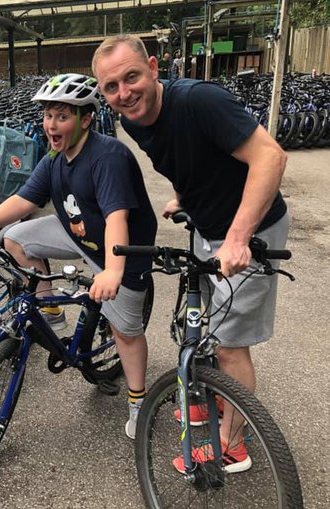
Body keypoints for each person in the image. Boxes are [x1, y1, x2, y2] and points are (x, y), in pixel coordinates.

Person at [92, 35, 289, 471]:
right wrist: (184, 195)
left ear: (154, 68)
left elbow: (271, 157)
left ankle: (233, 445)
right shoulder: (133, 121)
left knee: (230, 346)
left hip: (250, 227)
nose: (124, 93)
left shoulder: (199, 101)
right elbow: (179, 157)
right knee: (206, 326)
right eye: (111, 87)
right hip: (207, 224)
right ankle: (220, 402)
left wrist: (238, 238)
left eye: (131, 77)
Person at [0, 74, 158, 439]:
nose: (51, 124)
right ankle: (50, 311)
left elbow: (117, 217)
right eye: (48, 115)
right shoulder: (54, 159)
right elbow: (25, 200)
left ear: (85, 120)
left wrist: (112, 271)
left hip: (122, 248)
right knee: (14, 238)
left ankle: (138, 402)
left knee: (125, 333)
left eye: (62, 116)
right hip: (80, 233)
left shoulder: (107, 156)